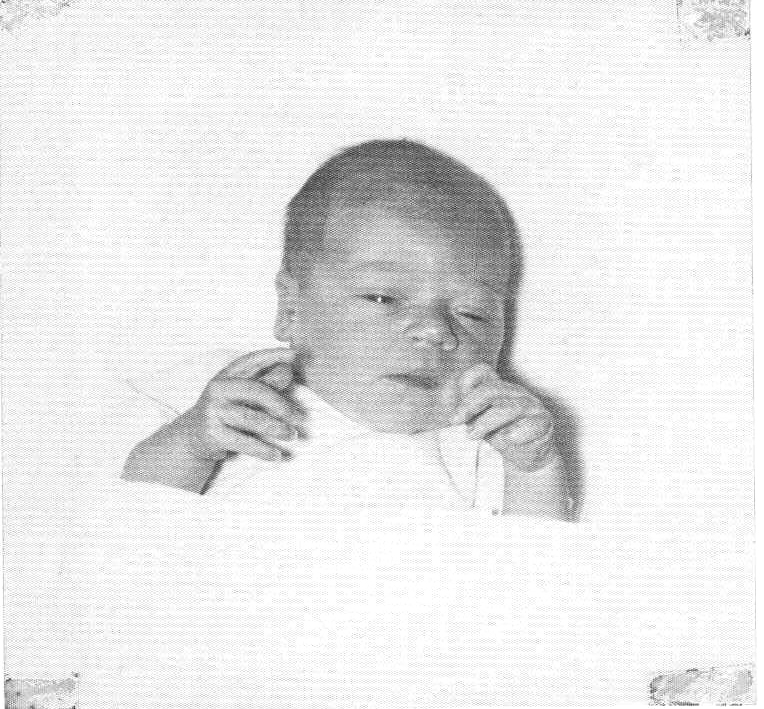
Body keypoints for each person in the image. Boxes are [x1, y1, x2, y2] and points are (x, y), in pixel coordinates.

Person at [121, 139, 571, 520]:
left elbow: (536, 563)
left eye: (472, 314)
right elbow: (131, 519)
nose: (435, 330)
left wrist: (534, 469)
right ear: (291, 308)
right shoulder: (238, 402)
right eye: (383, 298)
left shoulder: (483, 445)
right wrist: (192, 443)